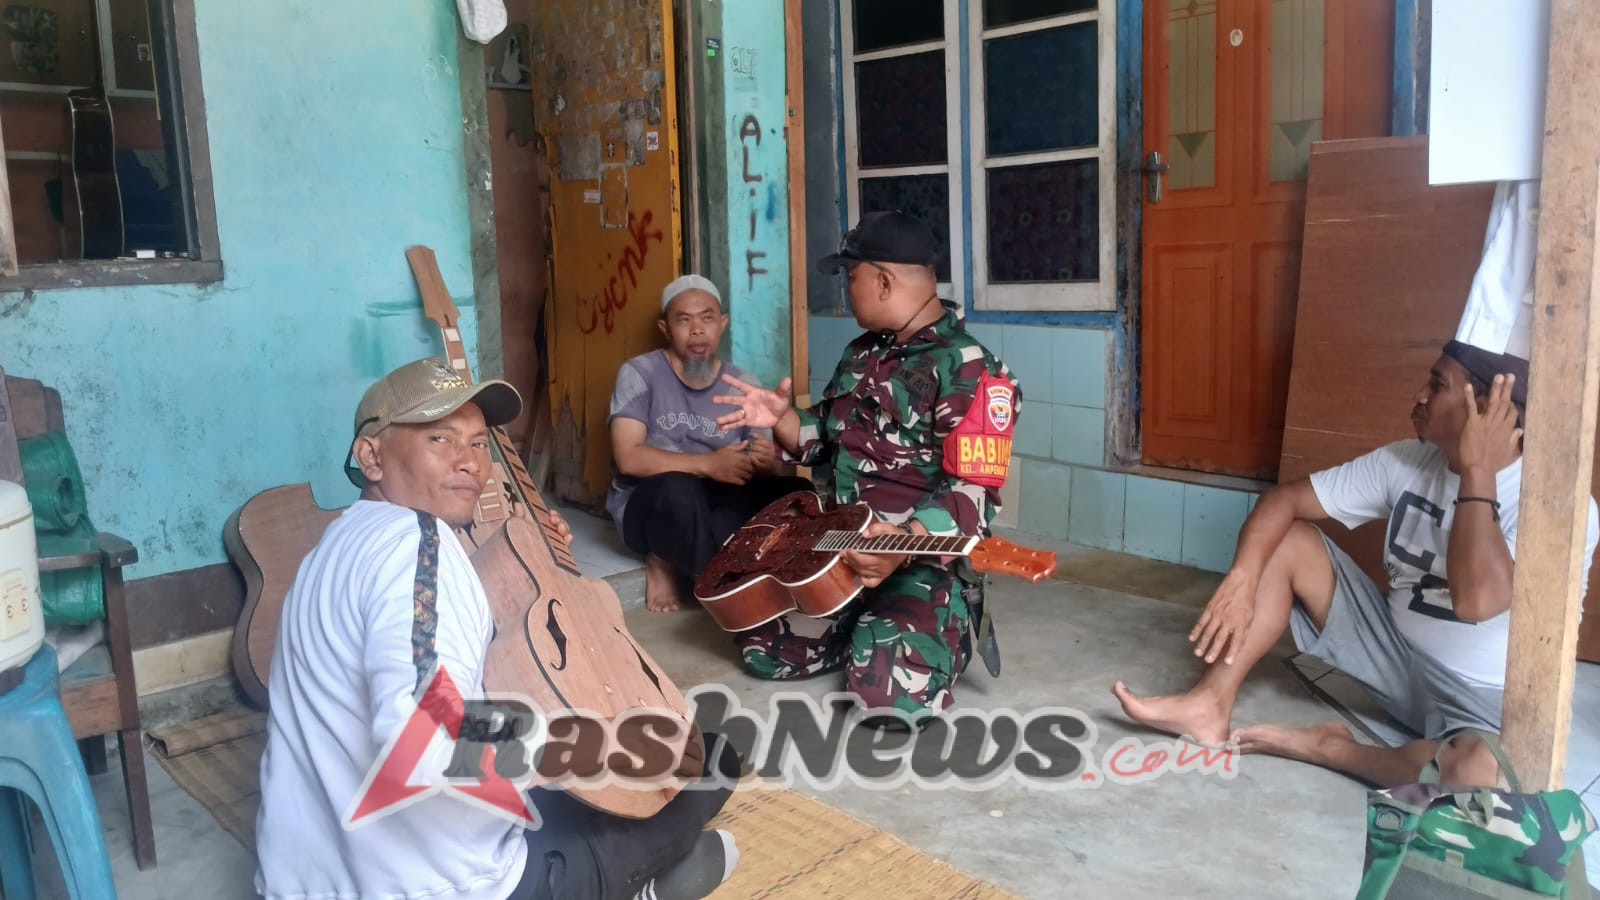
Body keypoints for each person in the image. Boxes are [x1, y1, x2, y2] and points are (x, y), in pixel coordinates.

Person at [255, 357, 742, 900]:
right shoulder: (420, 549)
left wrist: (530, 550)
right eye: (440, 438)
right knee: (711, 759)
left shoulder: (336, 543)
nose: (470, 463)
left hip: (306, 881)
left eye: (480, 444)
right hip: (449, 885)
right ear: (371, 455)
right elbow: (423, 738)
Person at [1111, 341, 1600, 787]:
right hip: (1394, 656)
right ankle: (1208, 703)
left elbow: (1477, 601)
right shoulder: (1406, 461)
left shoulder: (1560, 507)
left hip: (1482, 703)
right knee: (1287, 540)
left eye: (1437, 385)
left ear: (1490, 410)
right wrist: (1242, 580)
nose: (1420, 396)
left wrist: (1478, 469)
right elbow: (1285, 502)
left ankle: (1331, 747)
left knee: (1475, 777)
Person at [710, 211, 1022, 724]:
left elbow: (975, 495)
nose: (846, 290)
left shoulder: (972, 368)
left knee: (886, 704)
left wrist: (899, 549)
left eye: (850, 277)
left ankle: (945, 628)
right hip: (839, 558)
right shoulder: (863, 354)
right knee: (762, 649)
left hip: (917, 562)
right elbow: (824, 440)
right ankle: (865, 634)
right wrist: (783, 420)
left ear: (882, 280)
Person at [606, 274, 812, 613]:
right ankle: (676, 565)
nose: (697, 330)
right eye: (683, 320)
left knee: (797, 493)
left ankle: (717, 559)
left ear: (723, 324)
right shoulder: (640, 373)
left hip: (714, 499)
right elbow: (628, 458)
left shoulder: (741, 383)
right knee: (679, 491)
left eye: (707, 318)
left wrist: (764, 464)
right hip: (651, 503)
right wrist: (708, 464)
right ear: (665, 328)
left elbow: (762, 468)